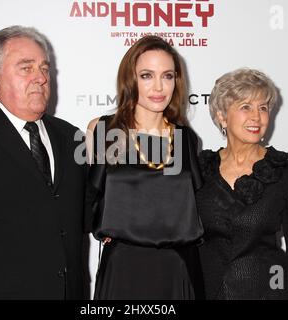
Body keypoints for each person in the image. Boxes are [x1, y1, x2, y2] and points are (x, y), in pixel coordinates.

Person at [0, 26, 85, 299]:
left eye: (44, 69)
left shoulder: (72, 137)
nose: (40, 78)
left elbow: (92, 213)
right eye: (26, 68)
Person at [85, 36, 204, 300]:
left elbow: (196, 207)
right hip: (123, 269)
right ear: (131, 79)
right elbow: (88, 200)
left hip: (178, 269)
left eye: (168, 76)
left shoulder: (186, 139)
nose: (159, 86)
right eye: (147, 75)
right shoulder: (102, 130)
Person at [197, 68, 288, 299]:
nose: (257, 117)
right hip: (208, 291)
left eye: (263, 108)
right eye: (246, 107)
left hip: (267, 293)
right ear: (222, 116)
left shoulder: (287, 172)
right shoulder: (200, 170)